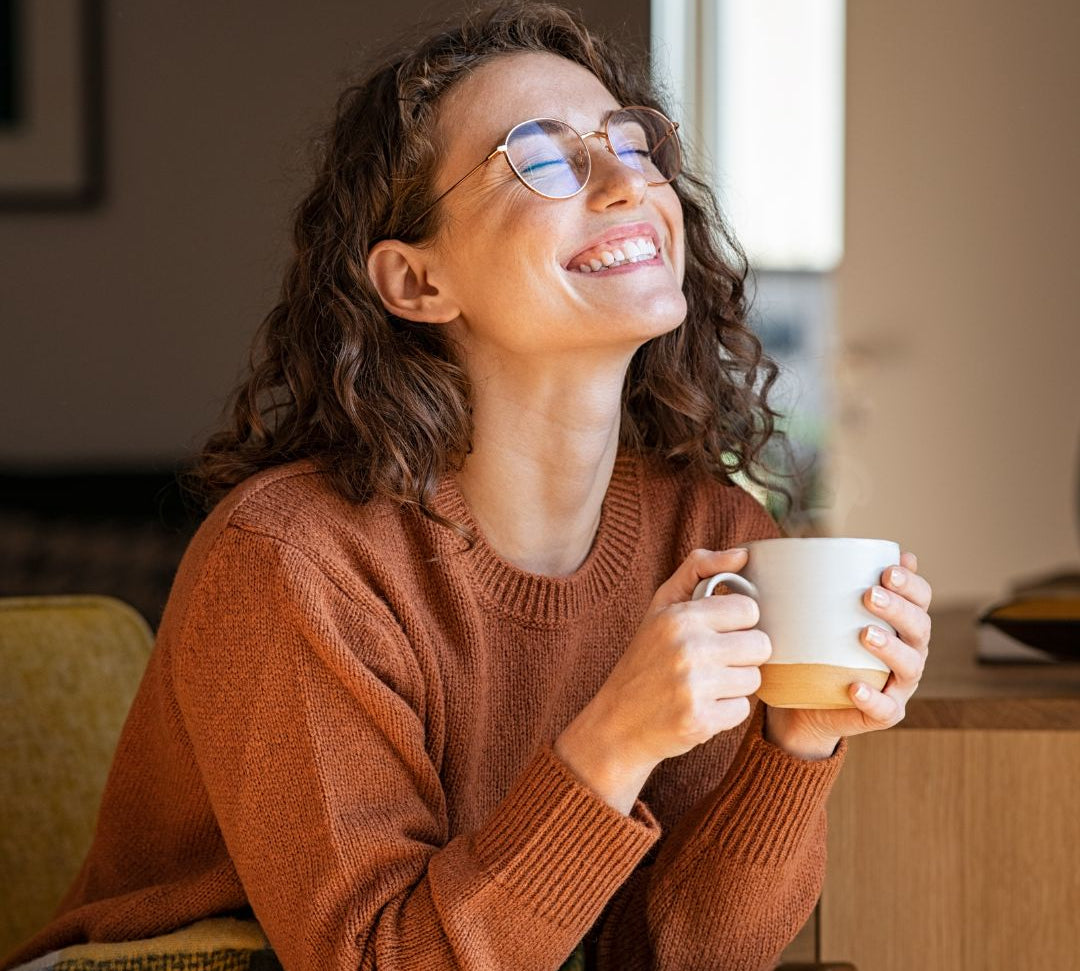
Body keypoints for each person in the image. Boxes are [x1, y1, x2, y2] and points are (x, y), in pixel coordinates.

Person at [1, 3, 933, 971]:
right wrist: (613, 739)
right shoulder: (292, 559)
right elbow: (375, 961)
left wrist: (798, 744)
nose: (625, 182)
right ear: (415, 282)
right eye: (540, 156)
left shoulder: (710, 530)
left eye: (633, 141)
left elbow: (669, 953)